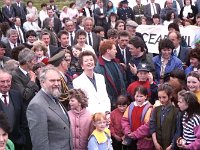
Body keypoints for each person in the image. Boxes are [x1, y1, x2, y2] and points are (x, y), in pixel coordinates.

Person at [26, 66, 73, 150]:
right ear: (42, 82)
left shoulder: (54, 97)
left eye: (58, 80)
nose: (57, 83)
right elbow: (40, 144)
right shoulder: (37, 105)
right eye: (52, 80)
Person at [95, 40, 126, 109]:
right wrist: (112, 101)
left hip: (121, 102)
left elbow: (123, 81)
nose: (116, 51)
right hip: (110, 104)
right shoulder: (98, 68)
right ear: (108, 51)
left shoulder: (116, 63)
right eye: (114, 49)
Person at [0, 69, 27, 150]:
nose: (6, 84)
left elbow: (23, 120)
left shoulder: (16, 95)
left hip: (18, 142)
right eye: (2, 81)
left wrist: (22, 137)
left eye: (8, 81)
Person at [149, 83, 179, 150]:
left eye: (164, 97)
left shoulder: (176, 111)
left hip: (171, 145)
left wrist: (171, 145)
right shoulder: (156, 110)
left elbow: (178, 130)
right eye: (159, 97)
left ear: (170, 96)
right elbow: (152, 126)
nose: (161, 100)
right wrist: (155, 143)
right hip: (158, 144)